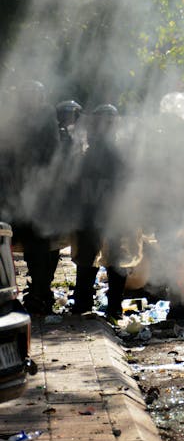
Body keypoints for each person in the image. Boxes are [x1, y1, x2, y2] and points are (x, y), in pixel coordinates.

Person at [4, 81, 61, 314]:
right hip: (15, 195)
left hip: (39, 196)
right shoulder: (15, 120)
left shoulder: (46, 120)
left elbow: (51, 157)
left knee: (41, 246)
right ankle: (23, 293)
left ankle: (40, 293)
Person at [71, 104, 130, 319]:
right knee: (97, 259)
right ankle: (106, 306)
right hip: (97, 213)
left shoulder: (110, 154)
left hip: (105, 213)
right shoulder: (113, 154)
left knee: (105, 259)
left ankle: (89, 304)